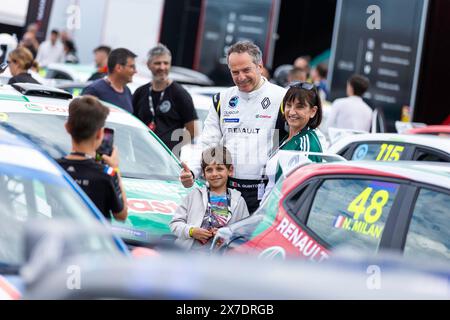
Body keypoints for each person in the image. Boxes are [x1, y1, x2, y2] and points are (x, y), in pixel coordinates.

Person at [180, 41, 287, 214]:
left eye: (246, 70)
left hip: (264, 190)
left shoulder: (282, 97)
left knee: (251, 241)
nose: (241, 77)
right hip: (223, 188)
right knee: (219, 238)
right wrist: (192, 171)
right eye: (235, 72)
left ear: (260, 67)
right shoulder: (222, 99)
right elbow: (208, 142)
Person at [56, 96, 128, 221]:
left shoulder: (53, 168)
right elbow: (121, 215)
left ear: (67, 127)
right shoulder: (107, 174)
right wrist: (115, 168)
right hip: (93, 240)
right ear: (100, 134)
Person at [170, 145, 249, 250]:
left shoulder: (239, 201)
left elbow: (245, 234)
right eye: (209, 170)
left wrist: (226, 237)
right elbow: (175, 224)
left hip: (220, 262)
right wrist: (191, 231)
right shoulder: (194, 195)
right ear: (203, 173)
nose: (214, 174)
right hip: (188, 258)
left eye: (219, 169)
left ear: (230, 170)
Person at [263, 82, 323, 199]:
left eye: (299, 107)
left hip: (278, 214)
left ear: (313, 111)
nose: (291, 112)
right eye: (288, 105)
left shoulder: (306, 143)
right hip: (268, 211)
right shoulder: (286, 137)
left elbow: (301, 194)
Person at [133, 44, 198, 152]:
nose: (162, 67)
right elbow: (133, 124)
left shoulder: (180, 94)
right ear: (149, 65)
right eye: (157, 63)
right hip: (141, 157)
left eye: (166, 63)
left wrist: (172, 149)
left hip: (167, 161)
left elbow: (193, 130)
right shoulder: (140, 92)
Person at [82, 48, 136, 113]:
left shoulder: (127, 91)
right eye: (131, 67)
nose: (135, 71)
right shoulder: (94, 90)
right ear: (118, 68)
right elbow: (82, 119)